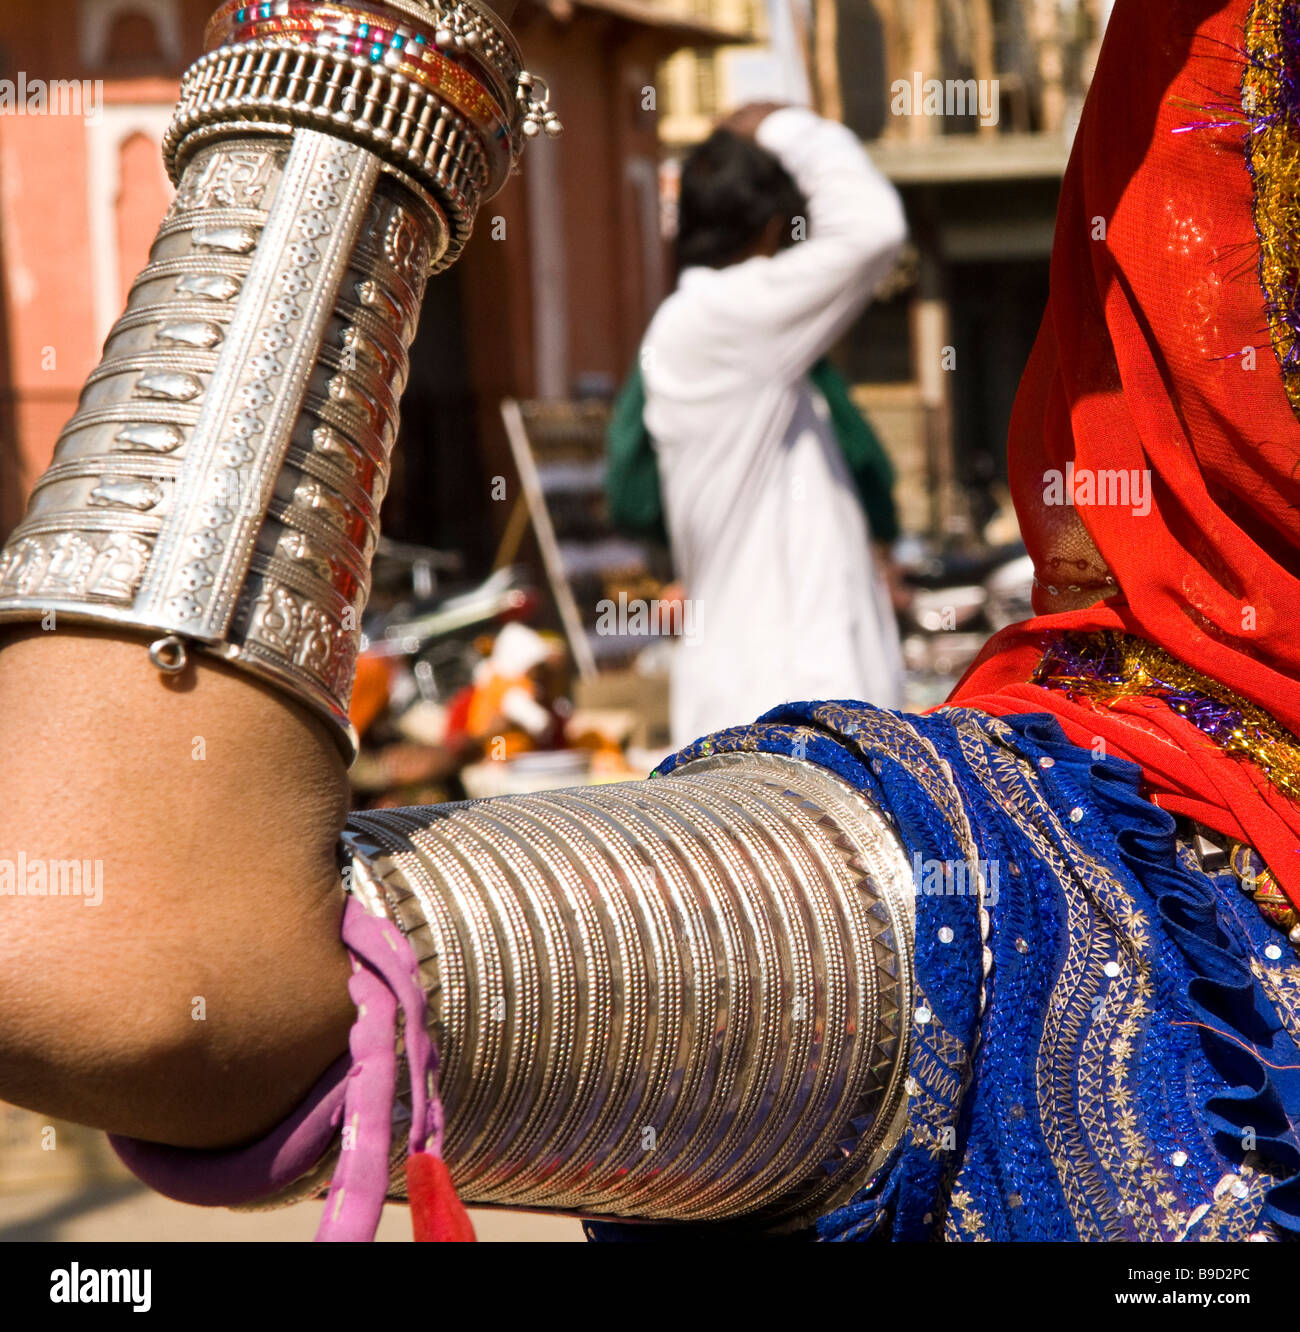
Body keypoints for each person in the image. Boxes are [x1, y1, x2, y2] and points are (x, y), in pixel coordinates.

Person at [1, 0, 1299, 1244]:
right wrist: (375, 63)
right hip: (834, 762)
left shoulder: (732, 336)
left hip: (839, 713)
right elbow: (106, 932)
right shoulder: (720, 326)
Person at [611, 104, 908, 745]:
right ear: (775, 228)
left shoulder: (720, 331)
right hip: (786, 728)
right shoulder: (729, 317)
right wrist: (783, 126)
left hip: (782, 719)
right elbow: (872, 226)